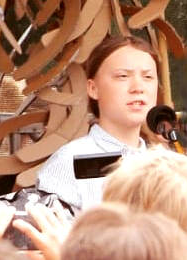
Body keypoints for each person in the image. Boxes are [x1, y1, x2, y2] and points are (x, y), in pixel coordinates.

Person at [36, 35, 160, 211]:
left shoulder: (166, 163)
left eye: (148, 77)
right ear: (93, 88)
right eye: (123, 76)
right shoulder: (70, 162)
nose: (138, 87)